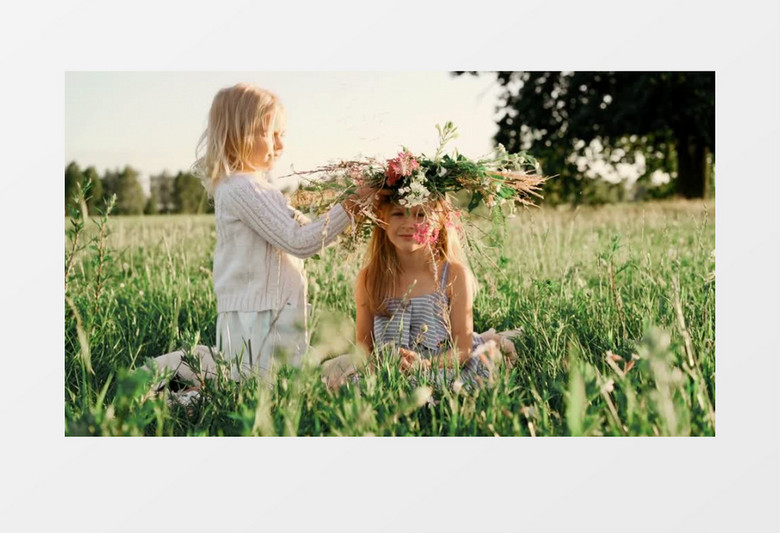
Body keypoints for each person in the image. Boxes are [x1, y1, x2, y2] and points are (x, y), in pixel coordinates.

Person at [149, 83, 371, 396]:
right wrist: (351, 206)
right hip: (261, 317)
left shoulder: (257, 189)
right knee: (258, 389)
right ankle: (167, 385)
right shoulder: (244, 189)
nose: (280, 144)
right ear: (240, 135)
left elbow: (310, 233)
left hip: (271, 311)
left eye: (283, 134)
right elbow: (301, 242)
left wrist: (356, 207)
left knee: (261, 383)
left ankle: (182, 377)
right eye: (271, 133)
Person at [323, 194, 520, 390]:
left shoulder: (454, 274)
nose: (409, 223)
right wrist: (384, 366)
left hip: (442, 364)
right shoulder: (370, 278)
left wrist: (424, 365)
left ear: (440, 220)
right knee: (345, 381)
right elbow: (364, 350)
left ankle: (503, 339)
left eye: (420, 215)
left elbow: (462, 350)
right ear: (382, 219)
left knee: (427, 385)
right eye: (398, 214)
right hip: (390, 368)